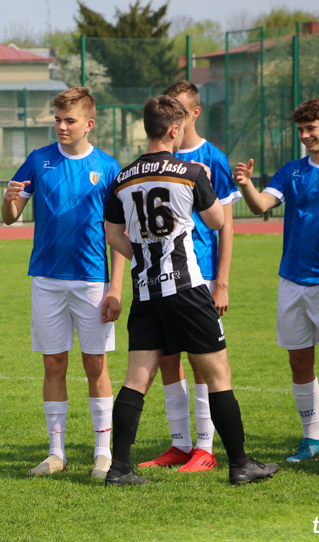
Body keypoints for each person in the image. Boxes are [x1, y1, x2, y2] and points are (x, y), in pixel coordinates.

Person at [102, 95, 279, 485]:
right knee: (218, 374)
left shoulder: (122, 177)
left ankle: (119, 468)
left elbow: (112, 233)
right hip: (186, 289)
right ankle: (239, 464)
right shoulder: (190, 171)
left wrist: (143, 254)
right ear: (173, 129)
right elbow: (216, 222)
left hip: (146, 291)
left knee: (136, 379)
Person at [1, 87, 124, 479]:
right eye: (57, 119)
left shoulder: (108, 167)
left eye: (69, 120)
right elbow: (10, 216)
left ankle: (102, 453)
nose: (61, 126)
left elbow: (118, 234)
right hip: (47, 280)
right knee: (53, 364)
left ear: (89, 124)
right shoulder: (39, 160)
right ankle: (57, 454)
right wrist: (9, 199)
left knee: (95, 365)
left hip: (92, 281)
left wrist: (116, 288)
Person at [232, 98, 319, 467]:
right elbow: (260, 206)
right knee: (298, 361)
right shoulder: (292, 171)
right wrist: (246, 185)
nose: (305, 136)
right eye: (300, 130)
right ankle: (312, 439)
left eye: (311, 128)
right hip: (291, 281)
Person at [140, 81, 242, 472]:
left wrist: (222, 281)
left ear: (192, 114)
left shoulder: (211, 159)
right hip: (160, 279)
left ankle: (205, 446)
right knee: (168, 359)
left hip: (197, 278)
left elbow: (225, 226)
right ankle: (179, 444)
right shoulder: (154, 161)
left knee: (204, 362)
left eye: (179, 111)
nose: (174, 120)